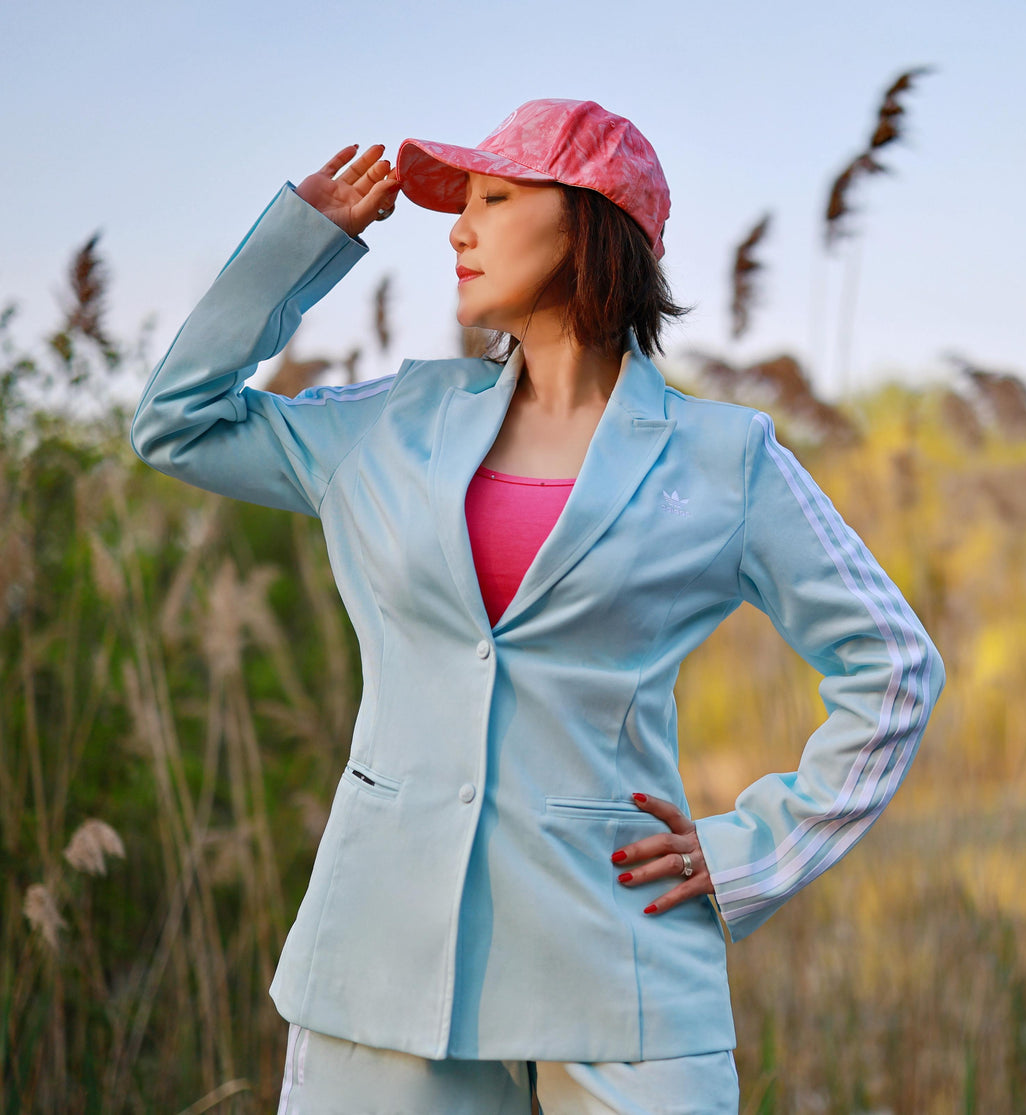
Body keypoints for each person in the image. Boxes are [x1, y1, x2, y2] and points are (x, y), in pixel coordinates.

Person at [129, 98, 947, 1114]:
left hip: (624, 975)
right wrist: (303, 240)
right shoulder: (386, 425)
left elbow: (894, 665)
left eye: (494, 197)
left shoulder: (725, 460)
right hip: (383, 971)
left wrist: (750, 849)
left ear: (586, 224)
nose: (458, 228)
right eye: (461, 204)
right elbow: (176, 422)